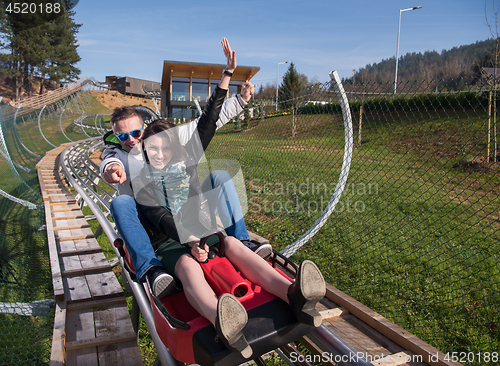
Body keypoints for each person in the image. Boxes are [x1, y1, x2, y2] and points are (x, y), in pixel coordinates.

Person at [133, 116, 326, 359]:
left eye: (165, 148)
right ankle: (221, 320)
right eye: (153, 148)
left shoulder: (185, 170)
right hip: (170, 242)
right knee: (188, 266)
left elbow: (209, 123)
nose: (159, 154)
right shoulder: (142, 180)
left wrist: (203, 236)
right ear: (145, 149)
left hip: (197, 234)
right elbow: (159, 215)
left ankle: (292, 293)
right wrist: (190, 241)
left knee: (232, 244)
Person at [100, 38, 271, 298]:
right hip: (153, 219)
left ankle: (243, 239)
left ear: (145, 129)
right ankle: (151, 268)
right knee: (122, 203)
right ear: (116, 138)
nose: (131, 140)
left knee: (220, 177)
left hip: (182, 205)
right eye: (123, 136)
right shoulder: (118, 154)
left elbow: (208, 122)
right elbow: (108, 160)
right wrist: (111, 169)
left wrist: (236, 92)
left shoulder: (163, 141)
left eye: (136, 132)